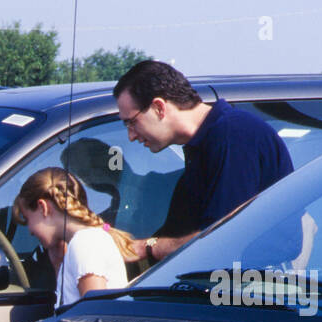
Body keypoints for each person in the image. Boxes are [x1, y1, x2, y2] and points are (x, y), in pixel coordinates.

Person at [113, 60, 293, 264]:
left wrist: (149, 248)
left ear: (158, 108)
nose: (131, 136)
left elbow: (222, 239)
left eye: (131, 122)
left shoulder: (233, 136)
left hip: (237, 293)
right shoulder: (208, 142)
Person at [14, 167, 135, 308]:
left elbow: (94, 314)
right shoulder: (85, 241)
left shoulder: (84, 244)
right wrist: (58, 263)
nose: (30, 231)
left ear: (43, 207)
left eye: (28, 219)